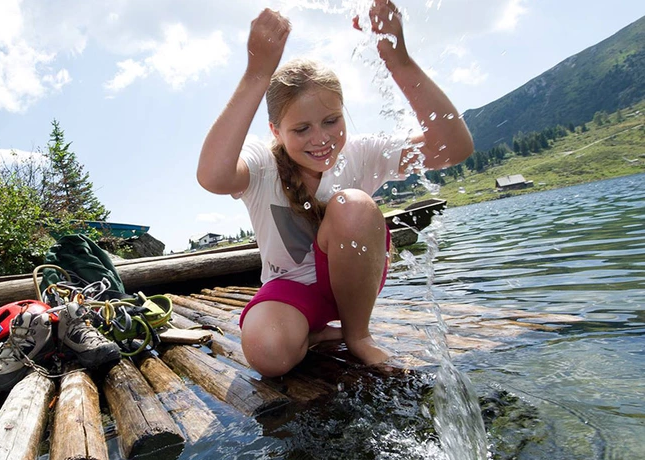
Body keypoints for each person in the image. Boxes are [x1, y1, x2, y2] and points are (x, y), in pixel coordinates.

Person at [197, 1, 473, 377]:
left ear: (344, 112)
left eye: (331, 121)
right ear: (276, 131)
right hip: (290, 291)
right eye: (301, 129)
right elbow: (213, 176)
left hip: (354, 286)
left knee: (353, 204)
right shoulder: (262, 162)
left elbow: (453, 148)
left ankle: (357, 335)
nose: (321, 139)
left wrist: (398, 59)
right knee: (268, 353)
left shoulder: (361, 152)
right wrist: (257, 73)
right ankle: (317, 334)